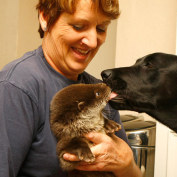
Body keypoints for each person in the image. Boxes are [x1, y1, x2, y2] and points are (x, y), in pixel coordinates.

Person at [0, 0, 142, 177]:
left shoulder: (99, 92)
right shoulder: (17, 87)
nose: (91, 42)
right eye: (78, 26)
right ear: (45, 17)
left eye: (101, 29)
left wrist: (127, 164)